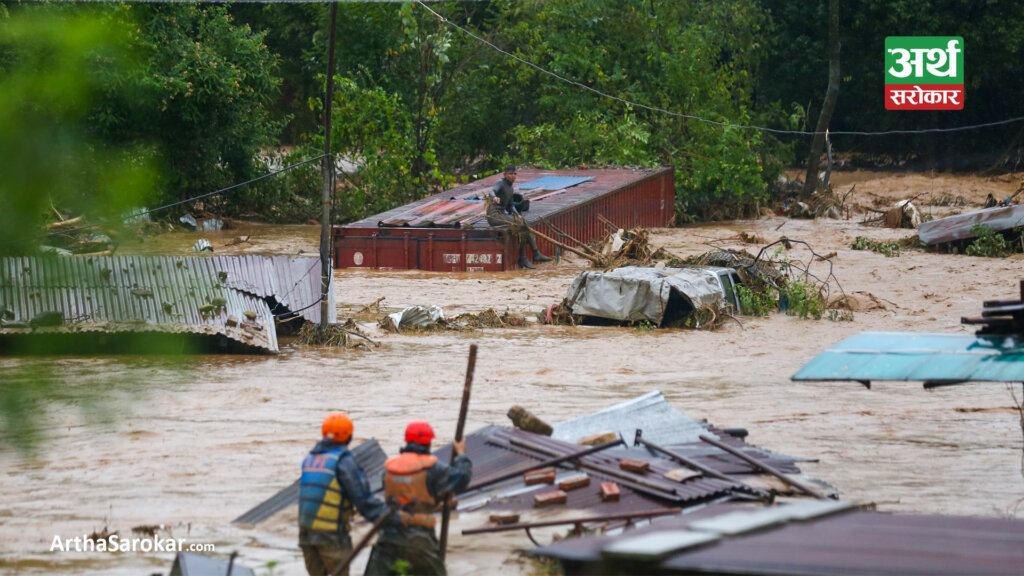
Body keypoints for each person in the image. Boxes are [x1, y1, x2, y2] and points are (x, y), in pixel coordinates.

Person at [364, 421, 473, 576]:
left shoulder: (389, 469)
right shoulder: (433, 469)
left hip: (388, 536)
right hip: (419, 539)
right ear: (428, 443)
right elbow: (462, 478)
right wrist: (461, 454)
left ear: (407, 440)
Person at [299, 413, 386, 576]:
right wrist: (387, 516)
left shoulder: (309, 459)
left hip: (306, 535)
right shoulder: (344, 461)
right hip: (331, 536)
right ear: (349, 436)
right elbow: (362, 499)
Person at [486, 165, 552, 269]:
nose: (513, 176)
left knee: (524, 224)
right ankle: (531, 255)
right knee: (523, 226)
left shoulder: (511, 188)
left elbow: (510, 205)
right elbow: (491, 191)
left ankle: (527, 256)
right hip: (495, 216)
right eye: (510, 174)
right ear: (505, 174)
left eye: (514, 174)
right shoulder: (500, 183)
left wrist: (517, 215)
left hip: (502, 215)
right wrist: (494, 197)